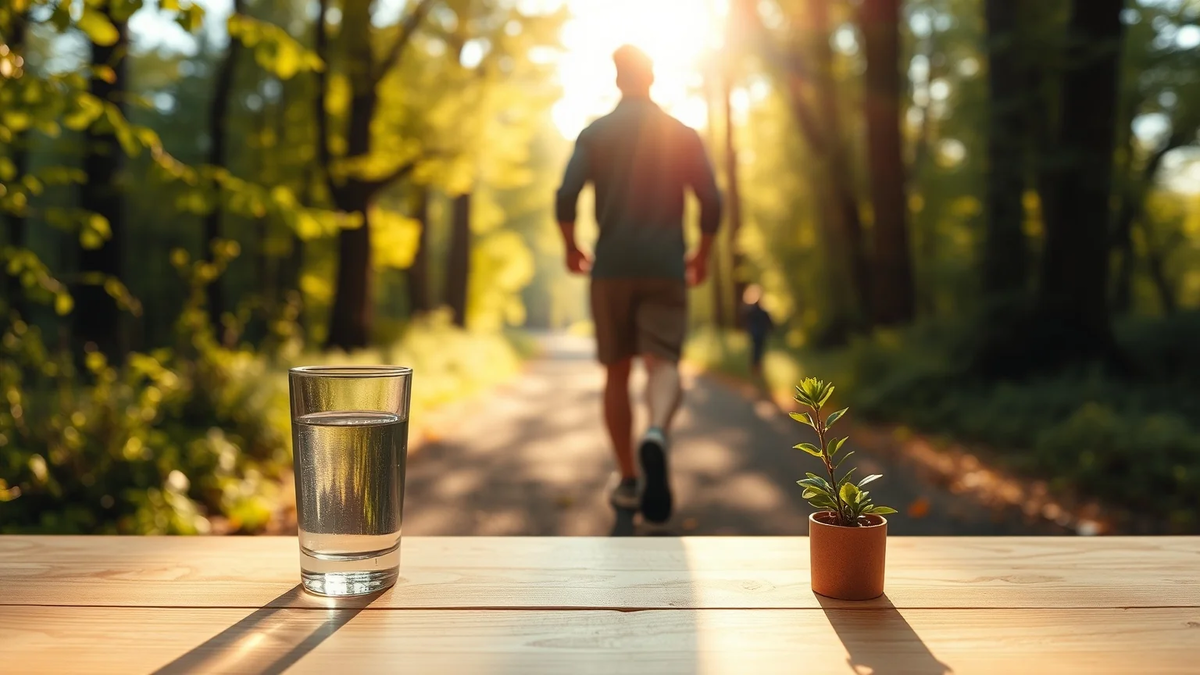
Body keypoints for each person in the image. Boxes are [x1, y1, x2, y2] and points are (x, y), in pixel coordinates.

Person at [555, 45, 722, 524]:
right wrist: (703, 254)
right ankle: (657, 434)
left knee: (616, 372)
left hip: (611, 267)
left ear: (616, 79)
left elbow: (566, 194)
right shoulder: (683, 134)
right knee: (662, 361)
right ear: (652, 77)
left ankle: (629, 480)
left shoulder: (595, 134)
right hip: (666, 265)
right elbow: (712, 201)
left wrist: (571, 245)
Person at [742, 284, 774, 378]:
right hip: (757, 333)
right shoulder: (754, 311)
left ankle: (756, 367)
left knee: (757, 350)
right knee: (757, 350)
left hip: (758, 333)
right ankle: (755, 367)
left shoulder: (754, 311)